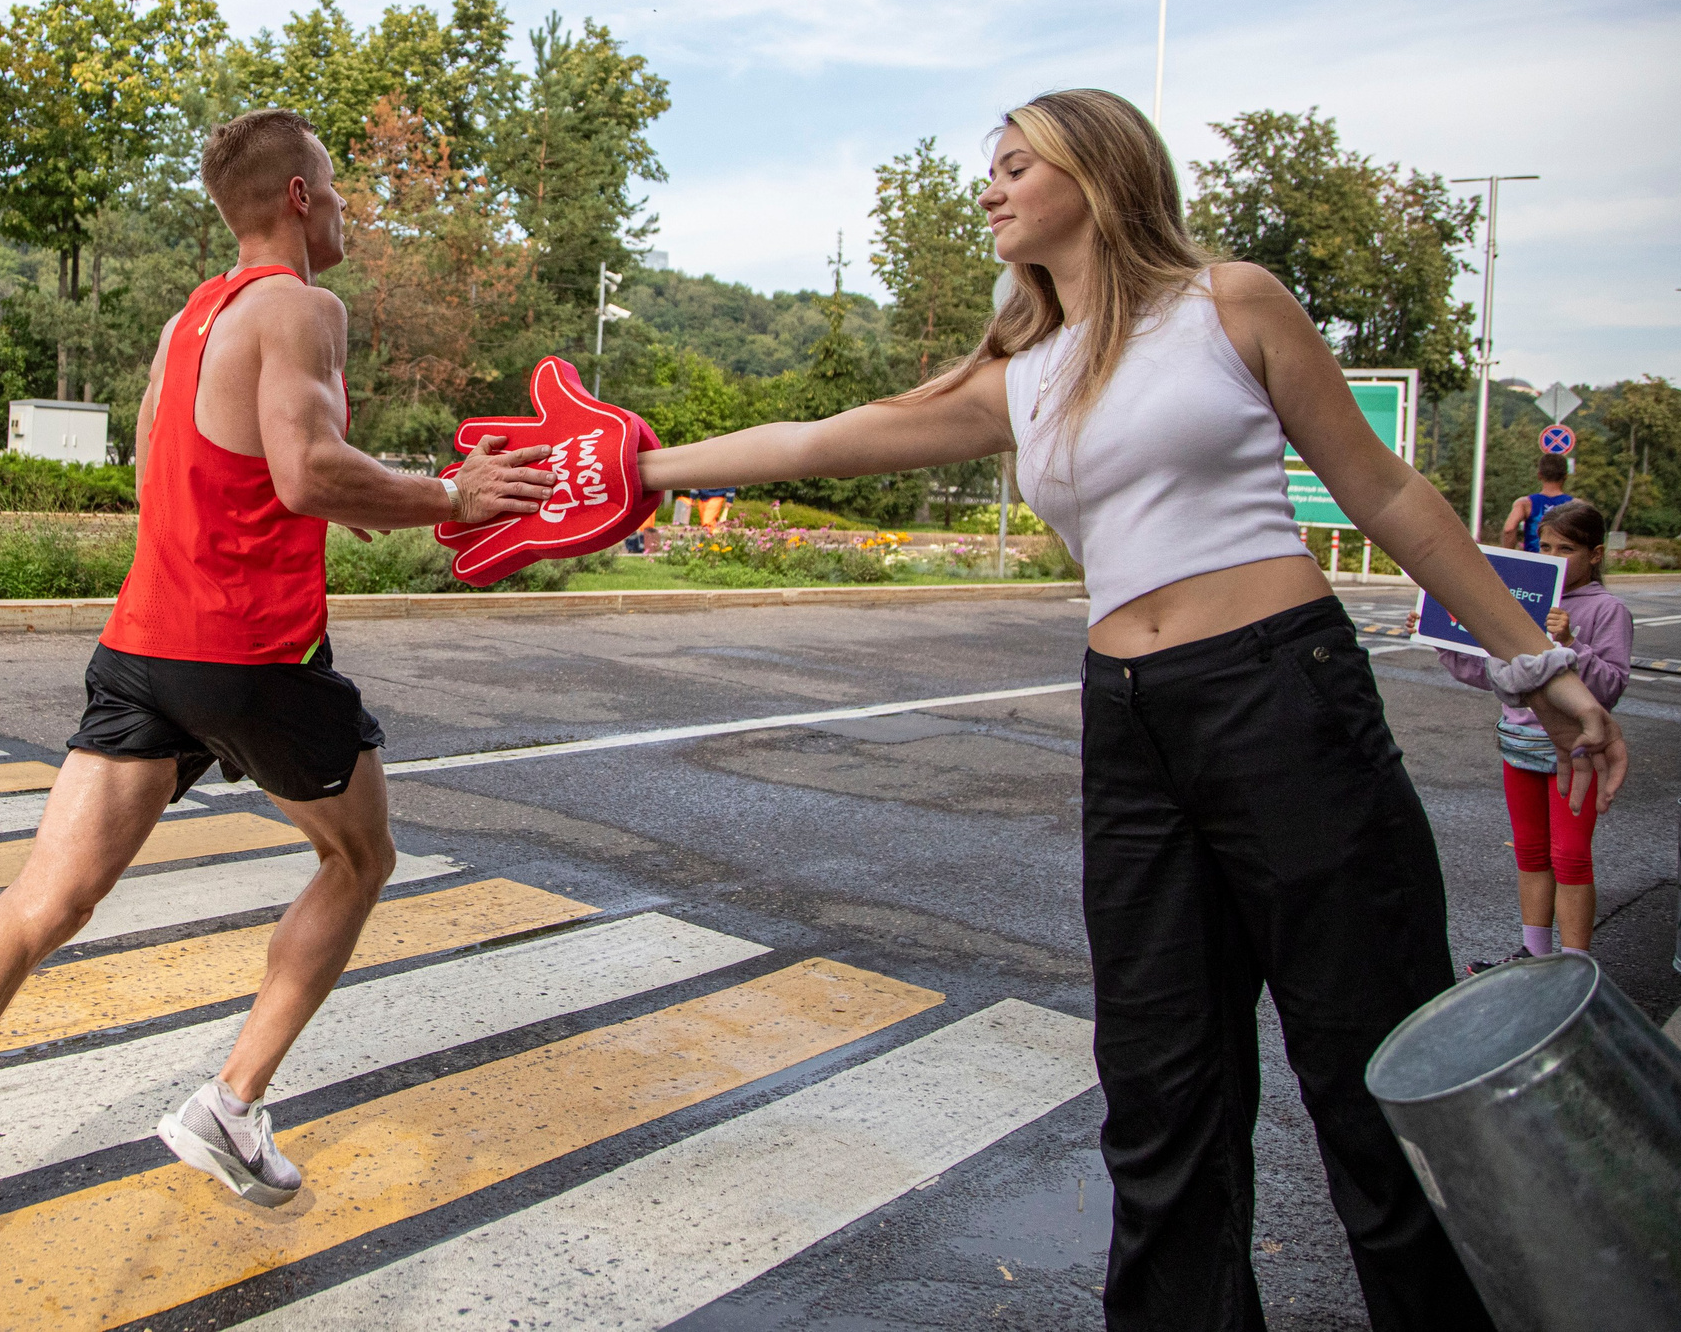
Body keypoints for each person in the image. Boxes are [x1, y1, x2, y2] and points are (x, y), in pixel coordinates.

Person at [635, 88, 1627, 1331]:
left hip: (1284, 697)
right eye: (987, 170)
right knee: (1160, 1093)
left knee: (1364, 1076)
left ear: (1096, 175)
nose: (988, 189)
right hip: (1131, 723)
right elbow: (814, 443)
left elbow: (1383, 491)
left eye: (1013, 165)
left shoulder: (1229, 303)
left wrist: (1539, 664)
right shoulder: (1021, 373)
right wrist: (632, 470)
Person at [0, 108, 553, 1321]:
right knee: (360, 858)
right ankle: (229, 1107)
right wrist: (450, 495)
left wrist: (372, 499)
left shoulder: (189, 318)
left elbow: (208, 468)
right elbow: (303, 469)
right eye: (338, 187)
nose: (350, 207)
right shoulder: (304, 306)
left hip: (143, 643)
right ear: (297, 198)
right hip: (248, 651)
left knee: (44, 899)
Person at [1446, 498, 1631, 971]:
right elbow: (1492, 672)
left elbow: (1609, 688)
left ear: (1595, 554)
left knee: (1569, 856)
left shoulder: (1608, 610)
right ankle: (1535, 953)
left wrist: (1572, 645)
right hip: (1519, 746)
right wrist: (1445, 643)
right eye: (1544, 545)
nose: (1552, 556)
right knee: (1530, 852)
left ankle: (1574, 968)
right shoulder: (1521, 599)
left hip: (1575, 752)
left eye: (1566, 548)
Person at [1497, 451, 1577, 551]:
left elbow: (1509, 529)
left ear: (1539, 475)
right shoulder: (1576, 506)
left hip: (1533, 563)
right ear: (1565, 476)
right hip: (1563, 563)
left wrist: (1507, 557)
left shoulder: (1525, 503)